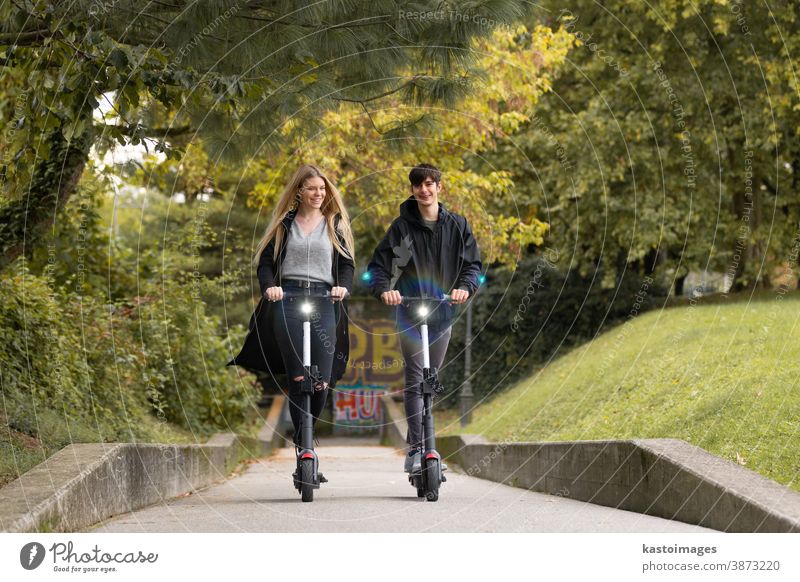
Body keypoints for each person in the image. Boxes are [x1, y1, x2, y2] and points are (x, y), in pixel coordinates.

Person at [229, 164, 355, 461]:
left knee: (321, 380)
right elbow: (265, 264)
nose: (318, 193)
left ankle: (303, 435)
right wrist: (269, 287)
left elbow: (347, 264)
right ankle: (306, 449)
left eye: (322, 189)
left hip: (325, 299)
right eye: (312, 188)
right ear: (299, 191)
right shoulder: (284, 224)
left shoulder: (334, 224)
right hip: (288, 299)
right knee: (299, 376)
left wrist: (343, 287)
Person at [366, 163, 482, 473]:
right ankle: (418, 451)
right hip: (409, 312)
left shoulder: (458, 225)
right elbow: (377, 267)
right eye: (419, 185)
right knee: (416, 378)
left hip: (443, 310)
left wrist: (465, 288)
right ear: (412, 189)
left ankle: (422, 448)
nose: (424, 189)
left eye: (430, 184)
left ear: (439, 188)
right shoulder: (401, 228)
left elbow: (473, 266)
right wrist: (384, 291)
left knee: (430, 379)